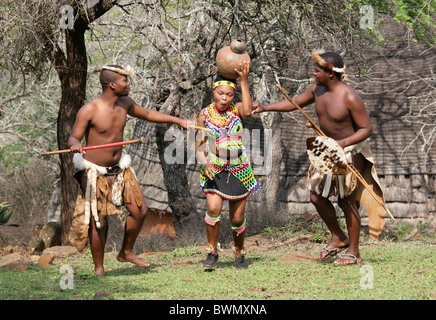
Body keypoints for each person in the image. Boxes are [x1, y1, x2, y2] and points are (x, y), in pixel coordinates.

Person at [252, 50, 386, 266]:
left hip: (349, 152)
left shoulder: (349, 96)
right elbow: (294, 103)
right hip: (326, 150)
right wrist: (264, 108)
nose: (313, 73)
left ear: (330, 73)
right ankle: (338, 236)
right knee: (316, 197)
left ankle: (354, 252)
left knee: (347, 201)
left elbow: (366, 128)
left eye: (317, 70)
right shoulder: (318, 89)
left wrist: (342, 143)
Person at [68, 65, 190, 277]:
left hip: (120, 169)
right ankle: (99, 268)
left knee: (139, 211)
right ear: (112, 85)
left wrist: (178, 120)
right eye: (125, 81)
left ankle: (126, 252)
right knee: (99, 221)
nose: (129, 84)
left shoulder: (126, 104)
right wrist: (75, 144)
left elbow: (149, 114)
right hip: (94, 171)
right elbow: (74, 137)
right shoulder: (90, 110)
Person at [196, 61, 260, 269]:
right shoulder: (204, 115)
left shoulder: (238, 109)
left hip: (239, 170)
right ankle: (212, 252)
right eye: (220, 93)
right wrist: (204, 162)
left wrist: (243, 80)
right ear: (214, 92)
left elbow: (249, 111)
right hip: (214, 169)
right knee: (213, 209)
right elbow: (198, 145)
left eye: (229, 95)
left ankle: (239, 253)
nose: (224, 98)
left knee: (237, 217)